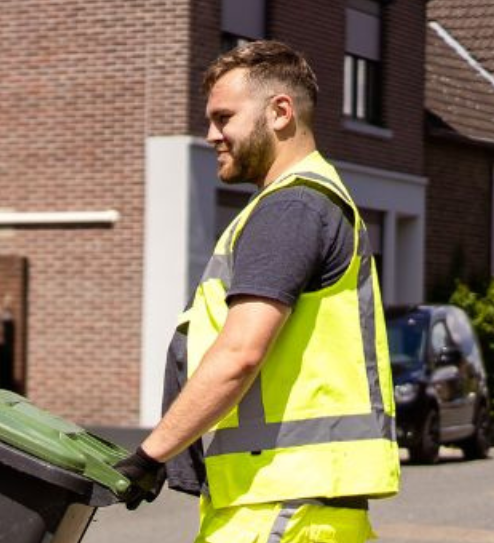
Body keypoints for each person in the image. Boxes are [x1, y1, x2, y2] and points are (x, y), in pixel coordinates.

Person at [114, 40, 399, 542]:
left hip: (281, 506)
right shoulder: (302, 202)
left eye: (224, 118)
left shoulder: (292, 208)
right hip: (288, 505)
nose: (211, 135)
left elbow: (241, 352)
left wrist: (149, 455)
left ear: (280, 112)